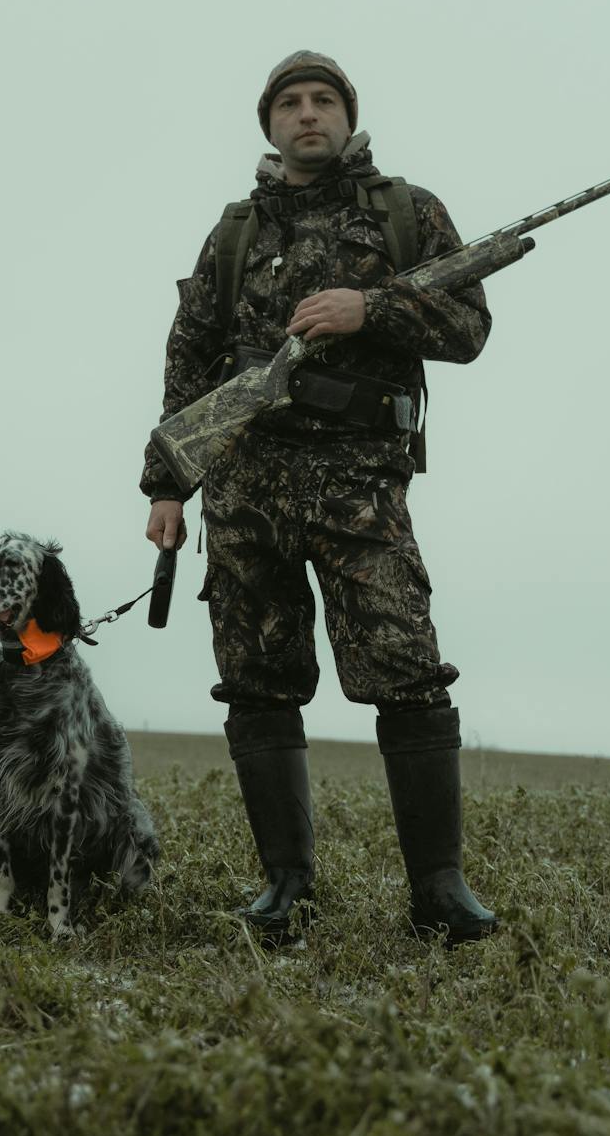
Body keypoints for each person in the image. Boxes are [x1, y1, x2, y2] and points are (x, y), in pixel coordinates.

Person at [140, 51, 497, 943]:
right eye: (291, 103)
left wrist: (367, 309)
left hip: (360, 484)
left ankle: (440, 893)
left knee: (406, 668)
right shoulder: (231, 235)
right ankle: (286, 888)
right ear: (270, 124)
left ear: (348, 115)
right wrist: (166, 486)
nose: (309, 114)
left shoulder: (408, 214)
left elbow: (468, 327)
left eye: (324, 100)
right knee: (257, 681)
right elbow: (189, 360)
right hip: (246, 487)